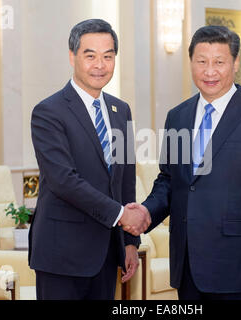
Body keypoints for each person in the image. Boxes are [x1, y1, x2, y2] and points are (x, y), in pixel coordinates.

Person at [127, 25, 241, 300]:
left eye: (219, 62)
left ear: (235, 63)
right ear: (191, 62)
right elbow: (170, 180)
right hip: (188, 265)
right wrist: (145, 213)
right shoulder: (177, 117)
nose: (209, 71)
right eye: (201, 62)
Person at [29, 19, 151, 300]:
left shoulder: (121, 111)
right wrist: (123, 217)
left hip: (106, 255)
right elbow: (63, 181)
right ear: (72, 57)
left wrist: (130, 242)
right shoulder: (48, 112)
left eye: (108, 56)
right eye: (90, 55)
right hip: (61, 256)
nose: (100, 65)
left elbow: (125, 181)